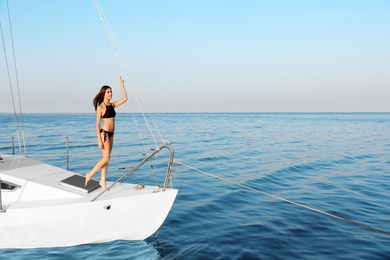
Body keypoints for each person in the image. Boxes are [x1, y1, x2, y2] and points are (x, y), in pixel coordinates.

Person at [85, 76, 128, 190]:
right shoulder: (101, 107)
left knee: (106, 157)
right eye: (108, 92)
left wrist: (122, 86)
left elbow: (125, 98)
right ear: (103, 94)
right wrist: (99, 140)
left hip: (111, 134)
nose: (110, 94)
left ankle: (102, 181)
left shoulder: (112, 105)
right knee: (106, 158)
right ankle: (90, 174)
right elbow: (97, 125)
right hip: (104, 134)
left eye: (111, 92)